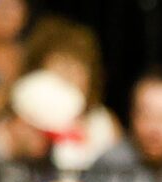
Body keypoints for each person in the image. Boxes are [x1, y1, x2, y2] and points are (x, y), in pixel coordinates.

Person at [14, 17, 118, 171]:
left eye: (78, 68)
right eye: (61, 65)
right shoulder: (19, 119)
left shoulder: (102, 123)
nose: (69, 78)